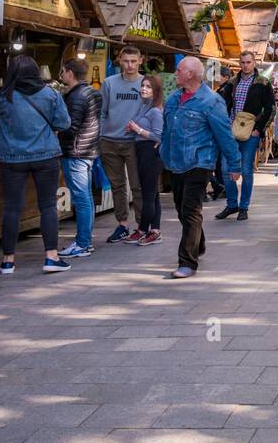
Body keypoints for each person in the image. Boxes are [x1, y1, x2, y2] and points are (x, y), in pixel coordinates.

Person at [0, 54, 72, 275]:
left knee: (12, 208)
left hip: (12, 159)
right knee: (47, 206)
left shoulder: (4, 96)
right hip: (46, 156)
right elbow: (64, 122)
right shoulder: (51, 94)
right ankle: (51, 258)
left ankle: (8, 261)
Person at [162, 56, 242, 279]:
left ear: (190, 74)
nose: (175, 73)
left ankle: (187, 261)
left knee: (190, 209)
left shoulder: (210, 101)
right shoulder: (174, 98)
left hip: (199, 162)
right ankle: (199, 244)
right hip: (175, 162)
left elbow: (225, 135)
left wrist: (234, 165)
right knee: (181, 209)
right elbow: (166, 128)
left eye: (179, 70)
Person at [215, 50, 273, 222]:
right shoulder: (232, 82)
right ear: (239, 63)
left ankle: (244, 207)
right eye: (242, 62)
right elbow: (223, 106)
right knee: (226, 169)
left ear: (254, 63)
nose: (245, 65)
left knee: (247, 170)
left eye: (248, 62)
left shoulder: (263, 82)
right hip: (231, 131)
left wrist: (259, 129)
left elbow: (270, 108)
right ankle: (232, 204)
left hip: (250, 131)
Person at [99, 45, 146, 244]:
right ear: (119, 60)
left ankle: (143, 226)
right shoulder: (109, 83)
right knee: (117, 186)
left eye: (133, 61)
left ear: (140, 61)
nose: (130, 65)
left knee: (137, 186)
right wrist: (100, 136)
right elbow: (102, 112)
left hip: (134, 142)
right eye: (126, 61)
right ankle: (122, 225)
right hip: (110, 141)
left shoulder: (146, 83)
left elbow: (152, 112)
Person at [58, 58, 102, 258]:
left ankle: (83, 243)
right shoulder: (92, 92)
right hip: (88, 150)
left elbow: (71, 127)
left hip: (76, 151)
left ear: (69, 72)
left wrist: (55, 130)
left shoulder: (76, 96)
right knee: (85, 198)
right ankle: (85, 240)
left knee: (81, 199)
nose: (61, 75)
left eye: (62, 71)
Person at [122, 75, 165, 246]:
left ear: (155, 91)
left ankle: (143, 229)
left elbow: (158, 135)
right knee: (153, 195)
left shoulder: (155, 110)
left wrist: (137, 129)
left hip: (150, 154)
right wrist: (132, 130)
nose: (143, 89)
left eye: (148, 87)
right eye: (142, 85)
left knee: (148, 195)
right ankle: (154, 230)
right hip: (142, 151)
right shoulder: (144, 107)